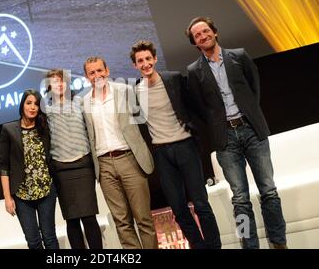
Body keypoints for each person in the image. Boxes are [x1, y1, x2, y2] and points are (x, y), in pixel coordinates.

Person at [185, 16, 287, 249]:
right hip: (225, 139)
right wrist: (219, 125)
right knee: (240, 199)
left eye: (206, 31)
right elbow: (200, 108)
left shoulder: (239, 56)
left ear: (215, 32)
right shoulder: (193, 71)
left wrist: (248, 116)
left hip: (251, 130)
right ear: (195, 43)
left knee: (269, 190)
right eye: (198, 35)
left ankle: (279, 243)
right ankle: (249, 245)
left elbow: (254, 88)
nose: (203, 36)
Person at [129, 40, 221, 249]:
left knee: (200, 203)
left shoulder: (173, 79)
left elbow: (193, 106)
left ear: (155, 59)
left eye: (148, 59)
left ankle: (214, 247)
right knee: (178, 209)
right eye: (140, 61)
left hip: (185, 146)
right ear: (135, 65)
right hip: (162, 153)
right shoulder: (135, 90)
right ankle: (199, 246)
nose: (145, 64)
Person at [81, 56, 158, 249]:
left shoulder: (124, 90)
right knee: (121, 222)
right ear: (86, 77)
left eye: (100, 70)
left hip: (129, 158)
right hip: (104, 165)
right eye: (92, 72)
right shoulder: (83, 102)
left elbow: (146, 117)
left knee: (143, 218)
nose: (97, 75)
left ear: (107, 71)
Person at [44, 69, 103, 249]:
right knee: (72, 220)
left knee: (89, 218)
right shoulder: (45, 110)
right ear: (49, 87)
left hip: (83, 166)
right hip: (61, 170)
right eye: (55, 82)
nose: (59, 84)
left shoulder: (80, 102)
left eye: (62, 81)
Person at [0, 89, 59, 249]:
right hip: (22, 195)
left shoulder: (45, 128)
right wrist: (7, 197)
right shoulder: (9, 129)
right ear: (22, 105)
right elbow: (4, 166)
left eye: (37, 104)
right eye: (29, 103)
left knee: (50, 237)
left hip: (46, 191)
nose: (33, 107)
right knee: (33, 242)